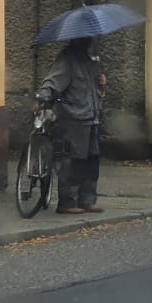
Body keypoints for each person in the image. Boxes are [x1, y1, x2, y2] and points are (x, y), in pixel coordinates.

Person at [36, 37, 106, 214]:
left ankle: (87, 200)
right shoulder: (67, 60)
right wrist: (44, 96)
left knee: (91, 161)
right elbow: (52, 81)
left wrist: (101, 85)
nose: (90, 42)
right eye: (87, 39)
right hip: (73, 118)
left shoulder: (89, 61)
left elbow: (94, 91)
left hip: (91, 117)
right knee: (72, 161)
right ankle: (67, 202)